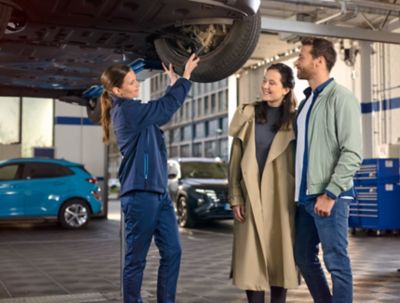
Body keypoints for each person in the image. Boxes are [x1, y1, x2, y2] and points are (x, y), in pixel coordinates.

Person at [100, 54, 199, 303]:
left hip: (159, 192)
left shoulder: (136, 110)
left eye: (136, 80)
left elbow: (161, 110)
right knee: (136, 260)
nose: (137, 85)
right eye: (132, 82)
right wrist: (185, 78)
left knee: (173, 251)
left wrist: (173, 85)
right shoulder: (125, 110)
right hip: (140, 194)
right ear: (116, 90)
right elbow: (163, 110)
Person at [293, 37, 363, 303]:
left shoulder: (341, 98)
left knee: (337, 262)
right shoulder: (306, 102)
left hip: (329, 197)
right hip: (306, 196)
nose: (297, 62)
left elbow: (353, 152)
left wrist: (331, 193)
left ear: (318, 61)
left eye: (301, 57)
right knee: (303, 256)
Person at [228, 63, 299, 303]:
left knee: (281, 259)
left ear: (286, 89)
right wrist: (235, 197)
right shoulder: (247, 114)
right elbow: (235, 161)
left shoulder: (296, 120)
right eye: (264, 81)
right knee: (251, 263)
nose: (265, 86)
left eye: (272, 82)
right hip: (251, 196)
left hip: (282, 197)